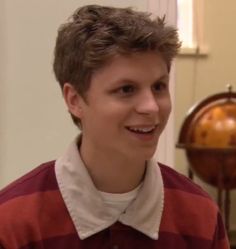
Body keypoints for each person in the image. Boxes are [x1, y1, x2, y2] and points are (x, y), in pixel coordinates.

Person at [0, 4, 230, 249]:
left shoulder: (201, 217)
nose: (151, 107)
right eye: (126, 89)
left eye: (159, 87)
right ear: (74, 100)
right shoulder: (13, 223)